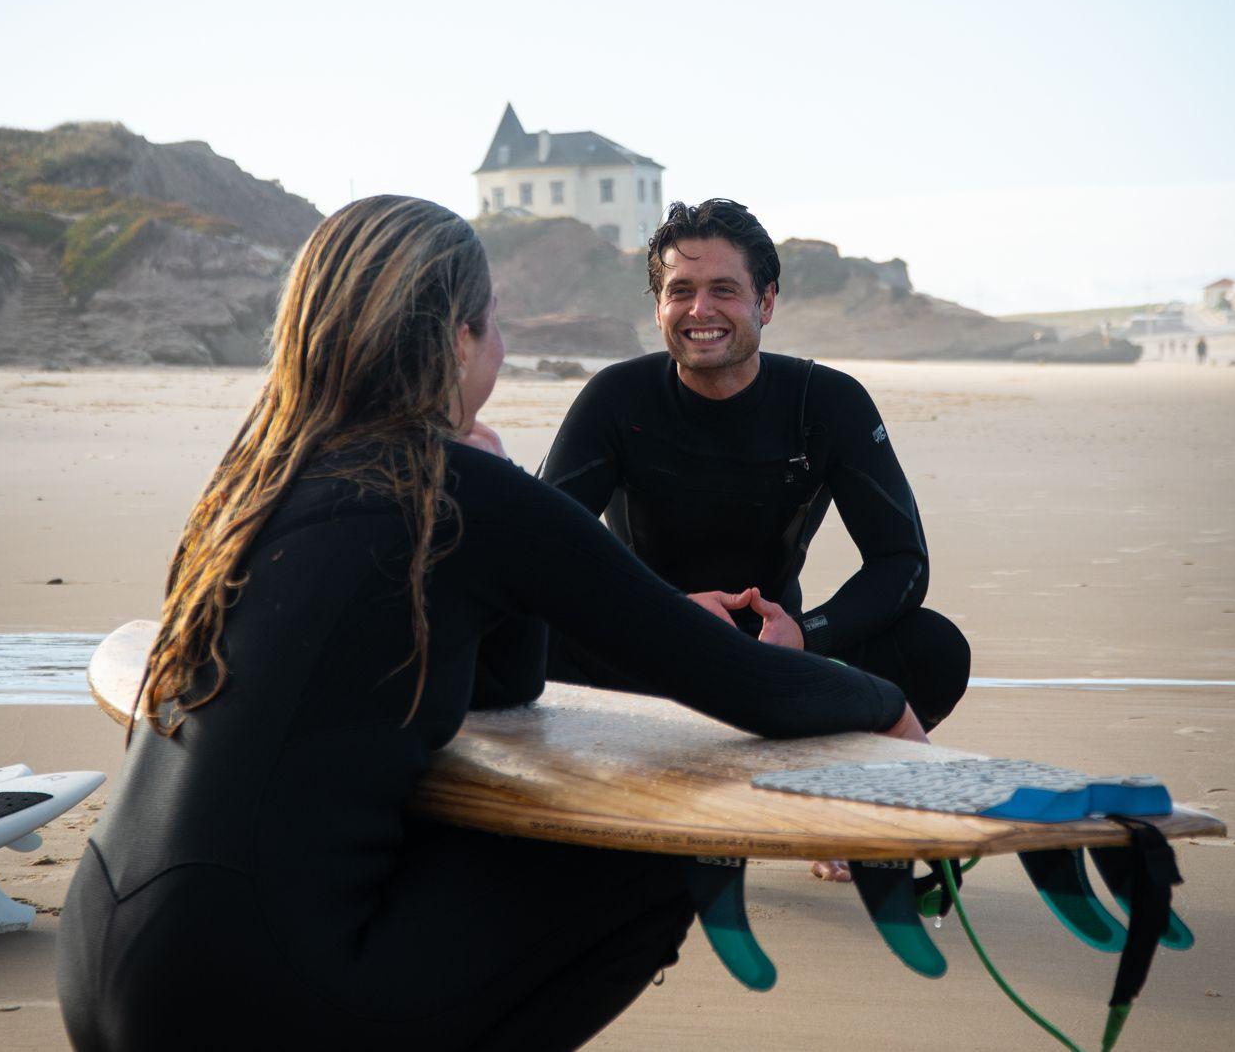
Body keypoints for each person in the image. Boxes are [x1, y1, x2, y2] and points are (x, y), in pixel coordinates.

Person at [57, 196, 925, 1052]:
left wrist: (496, 474)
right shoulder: (460, 493)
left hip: (100, 951)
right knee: (660, 853)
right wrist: (883, 702)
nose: (501, 348)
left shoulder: (254, 475)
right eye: (495, 323)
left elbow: (506, 686)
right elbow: (743, 683)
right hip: (250, 989)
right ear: (457, 339)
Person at [543, 198, 969, 735]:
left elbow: (901, 563)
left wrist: (804, 635)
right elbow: (544, 553)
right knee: (525, 633)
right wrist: (668, 613)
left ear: (765, 302)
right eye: (681, 292)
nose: (701, 310)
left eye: (724, 290)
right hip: (646, 652)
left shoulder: (827, 402)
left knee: (934, 647)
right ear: (658, 308)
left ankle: (846, 756)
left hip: (777, 656)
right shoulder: (617, 398)